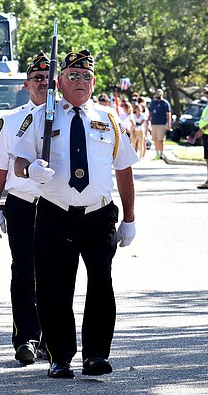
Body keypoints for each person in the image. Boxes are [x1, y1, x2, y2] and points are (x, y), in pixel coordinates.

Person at [12, 49, 138, 379]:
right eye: (73, 76)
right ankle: (60, 356)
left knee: (101, 284)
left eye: (86, 77)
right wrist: (31, 170)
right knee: (55, 288)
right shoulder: (42, 116)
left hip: (99, 215)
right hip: (56, 214)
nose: (80, 81)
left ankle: (96, 355)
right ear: (60, 81)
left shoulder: (109, 119)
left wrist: (130, 217)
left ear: (93, 82)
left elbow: (124, 168)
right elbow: (19, 161)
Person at [0, 53, 49, 365]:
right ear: (26, 85)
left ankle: (53, 338)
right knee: (24, 271)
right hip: (23, 204)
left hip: (57, 206)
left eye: (49, 77)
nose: (44, 83)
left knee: (56, 273)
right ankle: (26, 338)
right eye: (38, 78)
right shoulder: (10, 122)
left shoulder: (66, 117)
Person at [148, 89, 172, 160]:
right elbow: (150, 112)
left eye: (159, 93)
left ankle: (161, 154)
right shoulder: (153, 102)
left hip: (162, 124)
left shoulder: (165, 103)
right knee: (155, 139)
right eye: (157, 93)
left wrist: (169, 123)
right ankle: (157, 153)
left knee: (160, 140)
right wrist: (148, 120)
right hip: (154, 123)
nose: (158, 95)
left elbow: (168, 114)